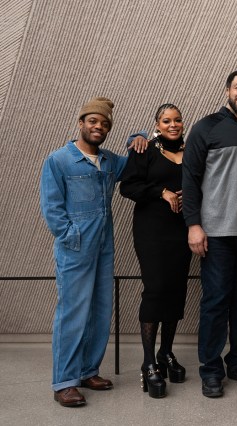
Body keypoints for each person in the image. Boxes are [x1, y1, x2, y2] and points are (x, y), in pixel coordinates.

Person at [182, 69, 237, 398]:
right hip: (216, 233)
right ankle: (210, 370)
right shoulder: (206, 128)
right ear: (227, 90)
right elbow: (189, 179)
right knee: (216, 302)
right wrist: (194, 224)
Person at [40, 97, 125, 407]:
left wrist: (142, 136)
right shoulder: (59, 160)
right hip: (75, 249)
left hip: (104, 248)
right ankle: (64, 381)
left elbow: (138, 160)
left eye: (104, 124)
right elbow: (51, 207)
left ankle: (88, 371)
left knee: (100, 310)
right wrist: (70, 236)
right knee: (73, 313)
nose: (98, 127)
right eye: (93, 121)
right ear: (81, 123)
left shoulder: (110, 161)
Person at [120, 104, 191, 398]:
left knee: (176, 289)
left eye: (177, 120)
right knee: (156, 289)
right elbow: (128, 186)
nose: (172, 124)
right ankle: (149, 362)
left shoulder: (193, 151)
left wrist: (193, 195)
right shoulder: (144, 149)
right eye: (166, 121)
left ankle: (166, 353)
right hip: (151, 231)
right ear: (157, 124)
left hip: (182, 230)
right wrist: (160, 191)